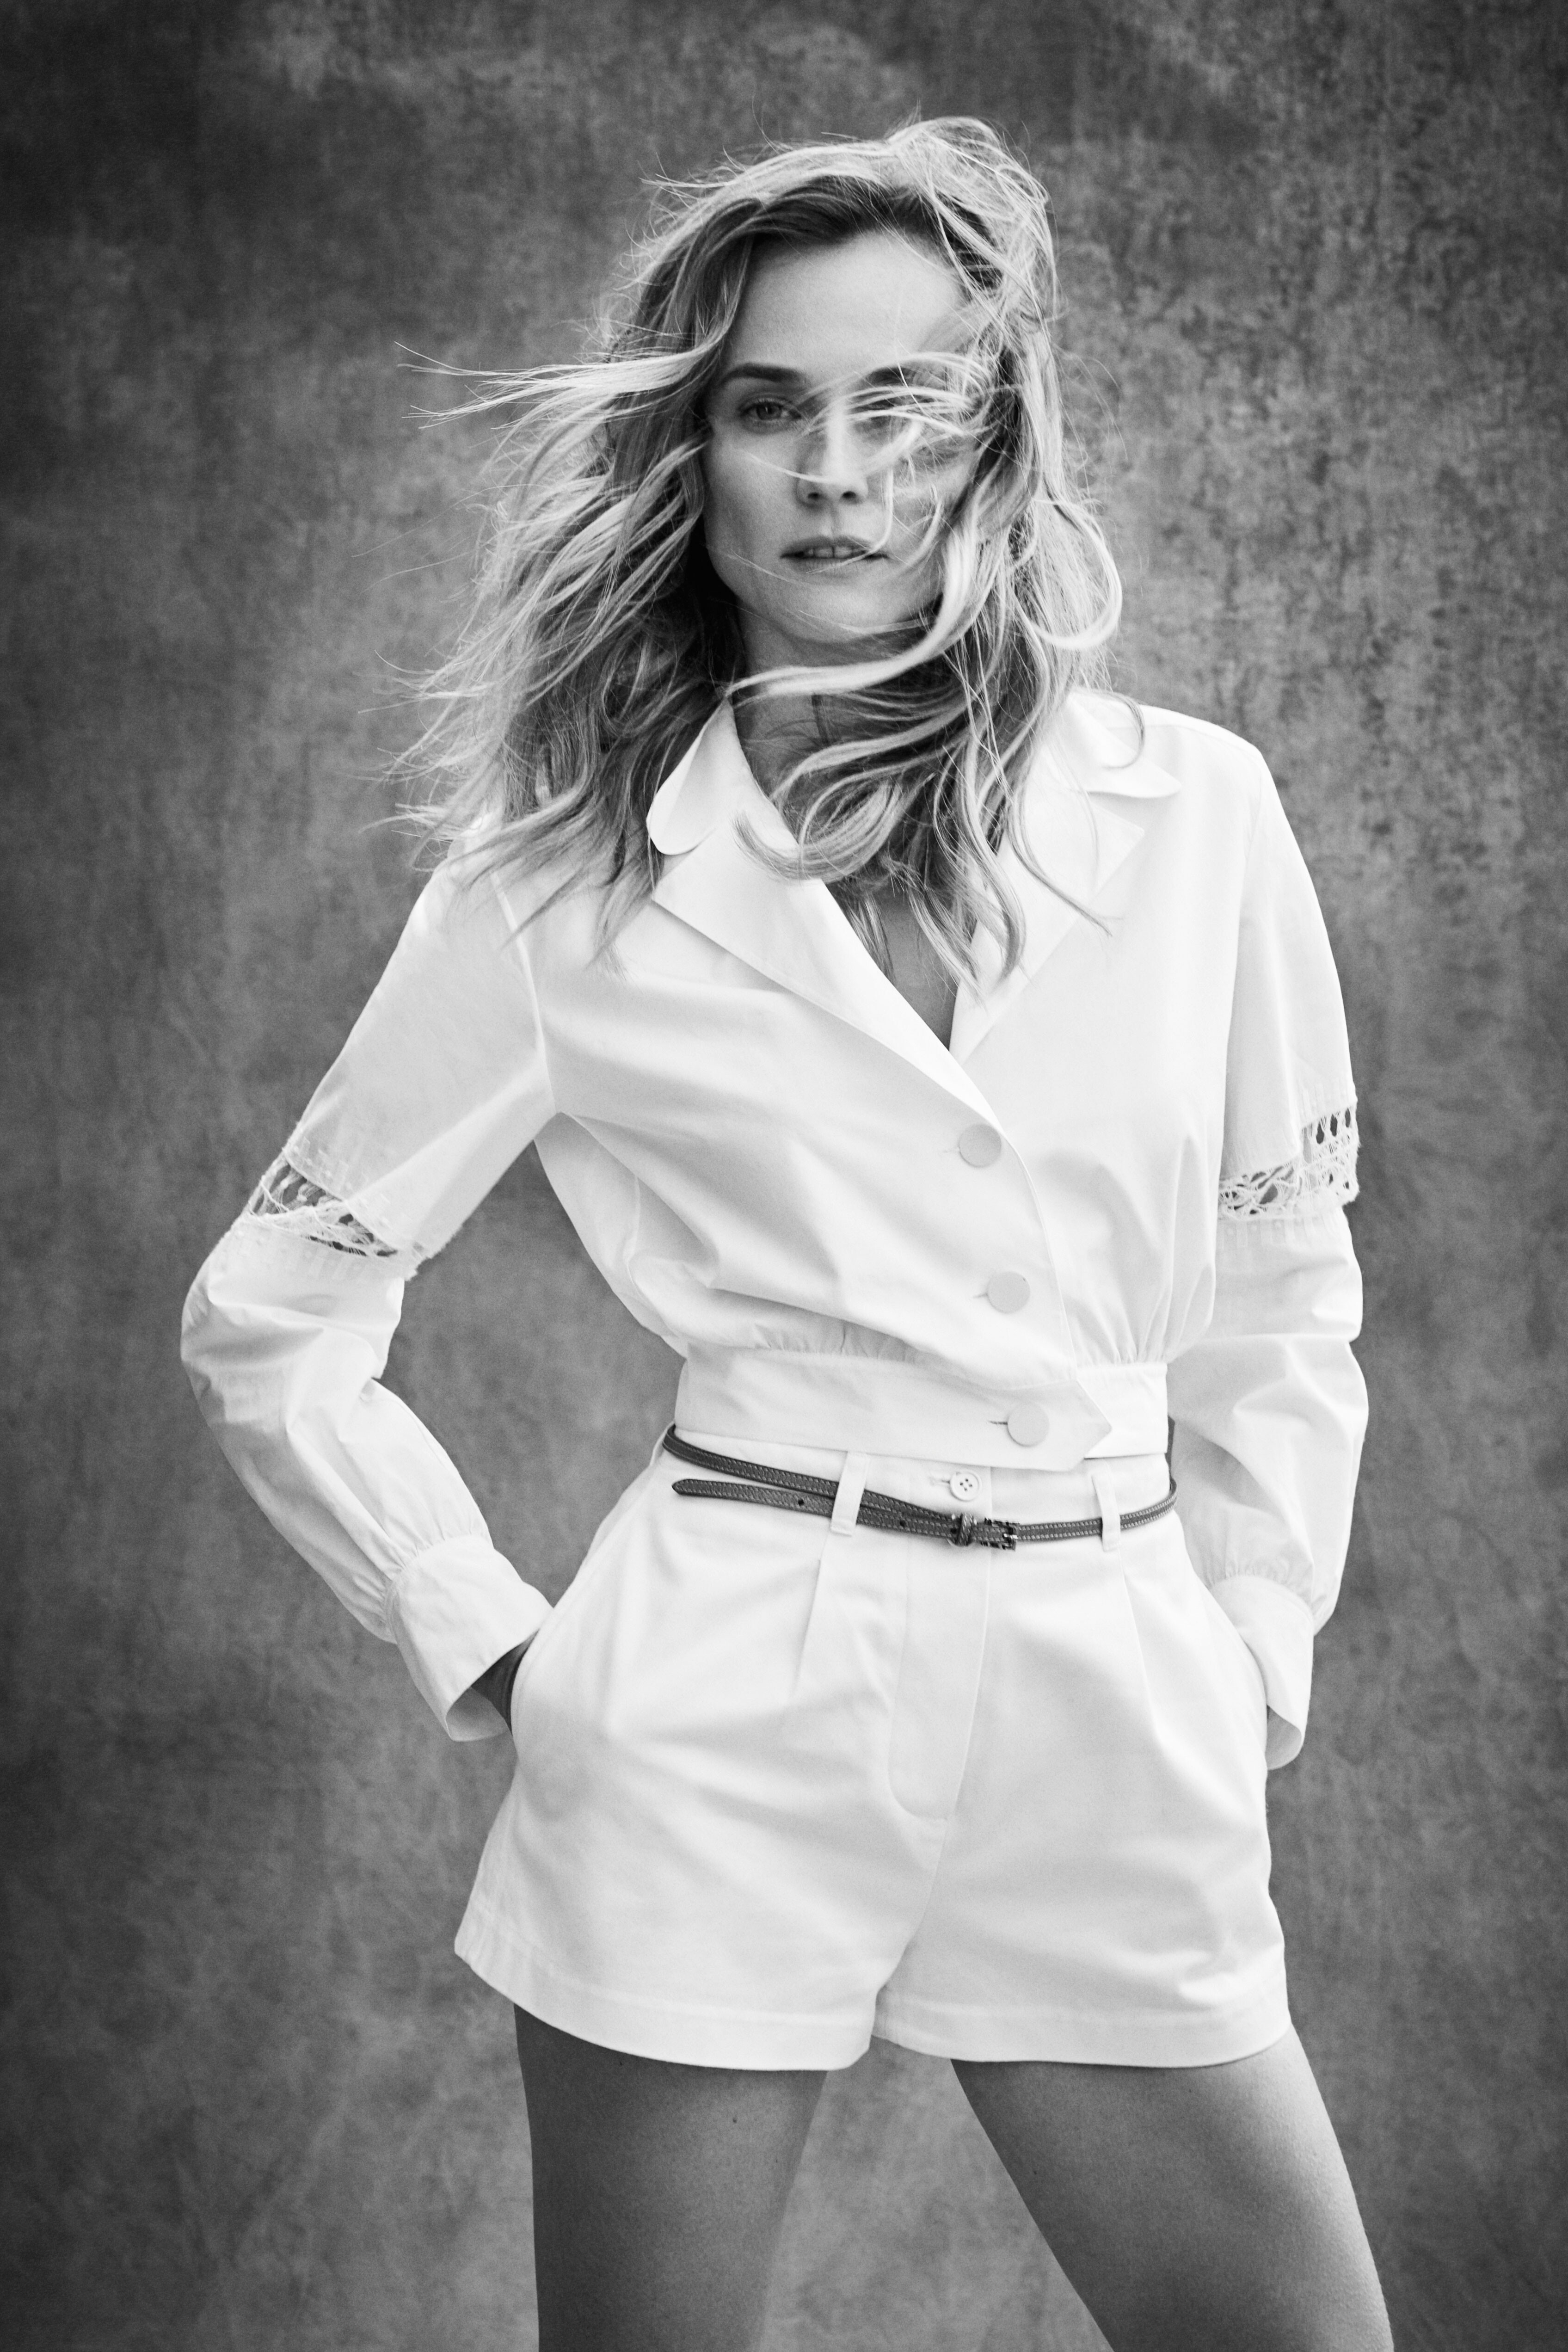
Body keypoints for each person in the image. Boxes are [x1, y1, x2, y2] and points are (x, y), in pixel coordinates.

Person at [182, 119, 1393, 2352]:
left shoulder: (1196, 814)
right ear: (696, 455)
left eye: (900, 405)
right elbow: (274, 1317)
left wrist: (1247, 1639)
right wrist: (502, 1652)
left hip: (1112, 1675)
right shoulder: (559, 880)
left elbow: (1279, 1286)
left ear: (995, 441)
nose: (835, 472)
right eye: (768, 407)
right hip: (725, 1680)